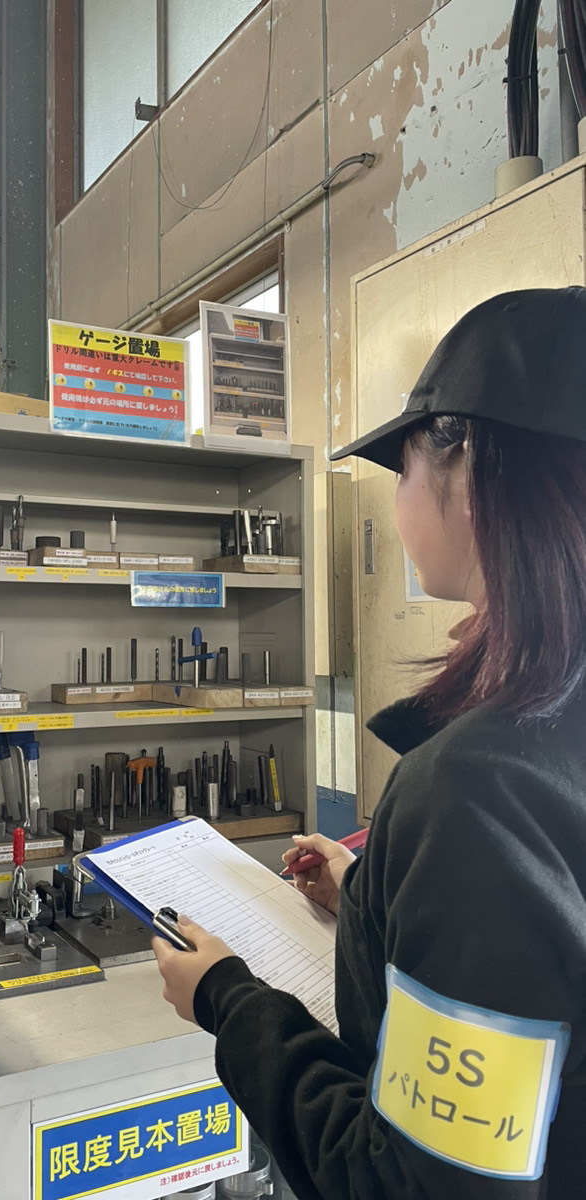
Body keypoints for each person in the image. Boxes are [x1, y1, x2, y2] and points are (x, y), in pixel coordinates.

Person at [152, 287, 586, 1199]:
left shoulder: (475, 793)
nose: (399, 492)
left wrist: (229, 998)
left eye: (406, 459)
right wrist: (376, 896)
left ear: (473, 467)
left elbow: (403, 1183)